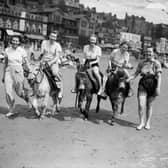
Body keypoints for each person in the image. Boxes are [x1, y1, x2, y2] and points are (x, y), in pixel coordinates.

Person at [127, 47, 162, 130]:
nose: (148, 54)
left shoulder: (157, 63)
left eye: (150, 52)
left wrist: (158, 88)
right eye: (147, 52)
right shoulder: (141, 63)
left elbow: (159, 76)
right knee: (141, 105)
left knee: (149, 105)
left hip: (153, 84)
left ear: (153, 53)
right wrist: (129, 78)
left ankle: (147, 122)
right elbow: (136, 74)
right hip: (143, 84)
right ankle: (141, 122)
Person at [2, 35, 29, 117]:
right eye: (13, 40)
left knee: (20, 92)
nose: (15, 42)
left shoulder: (22, 51)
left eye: (17, 41)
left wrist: (29, 71)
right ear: (11, 41)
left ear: (19, 42)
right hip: (8, 71)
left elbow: (26, 63)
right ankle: (11, 109)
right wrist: (3, 75)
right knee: (8, 92)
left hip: (18, 72)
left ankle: (28, 100)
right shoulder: (7, 50)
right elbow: (5, 63)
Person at [41, 30, 63, 108]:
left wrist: (50, 63)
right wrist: (41, 61)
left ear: (56, 38)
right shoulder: (44, 42)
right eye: (52, 36)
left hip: (53, 62)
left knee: (54, 73)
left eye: (54, 37)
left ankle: (60, 88)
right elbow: (43, 54)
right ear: (49, 36)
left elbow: (57, 56)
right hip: (44, 61)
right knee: (35, 72)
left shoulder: (57, 45)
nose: (53, 38)